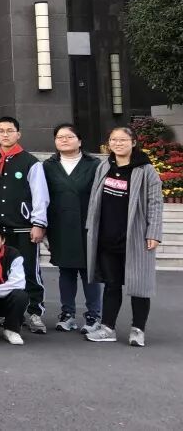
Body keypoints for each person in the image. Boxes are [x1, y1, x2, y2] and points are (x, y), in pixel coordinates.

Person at [85, 126, 164, 347]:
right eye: (113, 140)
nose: (117, 144)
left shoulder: (145, 170)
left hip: (136, 237)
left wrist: (154, 232)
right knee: (111, 285)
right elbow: (94, 199)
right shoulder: (104, 166)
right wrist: (91, 227)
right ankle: (107, 328)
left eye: (123, 140)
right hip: (107, 238)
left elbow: (155, 203)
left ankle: (138, 330)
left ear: (133, 143)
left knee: (139, 286)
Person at [0, 115, 49, 332]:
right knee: (2, 272)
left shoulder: (31, 162)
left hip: (24, 227)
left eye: (9, 130)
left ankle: (35, 312)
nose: (5, 134)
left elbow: (40, 195)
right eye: (1, 131)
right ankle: (8, 312)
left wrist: (38, 223)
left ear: (18, 134)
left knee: (29, 270)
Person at [43, 123, 102, 333]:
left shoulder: (95, 165)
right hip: (60, 226)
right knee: (65, 271)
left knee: (89, 272)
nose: (64, 140)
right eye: (59, 137)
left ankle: (94, 315)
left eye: (69, 136)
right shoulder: (48, 166)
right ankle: (67, 314)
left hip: (87, 226)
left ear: (80, 140)